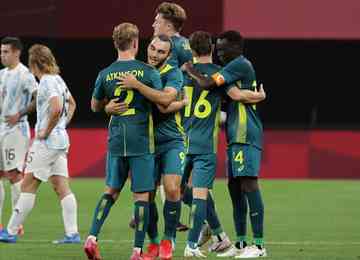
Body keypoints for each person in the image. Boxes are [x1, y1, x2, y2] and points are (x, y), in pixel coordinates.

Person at [83, 23, 166, 260]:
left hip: (117, 139)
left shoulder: (105, 73)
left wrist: (108, 107)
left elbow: (94, 106)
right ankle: (137, 251)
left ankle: (91, 238)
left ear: (115, 43)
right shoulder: (148, 72)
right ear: (137, 43)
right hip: (141, 140)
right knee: (142, 197)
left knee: (110, 191)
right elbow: (162, 102)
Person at [182, 31, 265, 258]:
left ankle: (258, 246)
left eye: (223, 48)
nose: (219, 52)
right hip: (234, 134)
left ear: (237, 48)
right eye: (217, 49)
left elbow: (216, 86)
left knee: (248, 184)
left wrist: (189, 69)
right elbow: (234, 93)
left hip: (245, 132)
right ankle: (239, 244)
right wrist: (255, 96)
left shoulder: (239, 64)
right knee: (235, 189)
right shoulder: (231, 69)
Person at [0, 44, 79, 244]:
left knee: (27, 184)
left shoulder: (46, 82)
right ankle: (72, 234)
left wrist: (47, 130)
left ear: (35, 63)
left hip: (47, 143)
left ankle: (10, 231)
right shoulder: (58, 79)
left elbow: (56, 107)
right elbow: (72, 103)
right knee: (61, 186)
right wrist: (63, 124)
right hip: (61, 141)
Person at [118, 34, 186, 260]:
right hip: (144, 142)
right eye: (153, 48)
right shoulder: (138, 69)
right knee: (144, 195)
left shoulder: (173, 74)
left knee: (172, 188)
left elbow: (166, 103)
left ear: (168, 55)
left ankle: (168, 239)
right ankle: (154, 243)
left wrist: (138, 86)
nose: (155, 54)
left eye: (161, 52)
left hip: (171, 140)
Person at [0, 37, 37, 235]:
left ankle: (17, 222)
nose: (2, 55)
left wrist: (19, 114)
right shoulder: (2, 74)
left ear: (16, 52)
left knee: (14, 174)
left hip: (17, 130)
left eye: (6, 52)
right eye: (1, 52)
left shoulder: (25, 74)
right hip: (1, 129)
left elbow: (37, 97)